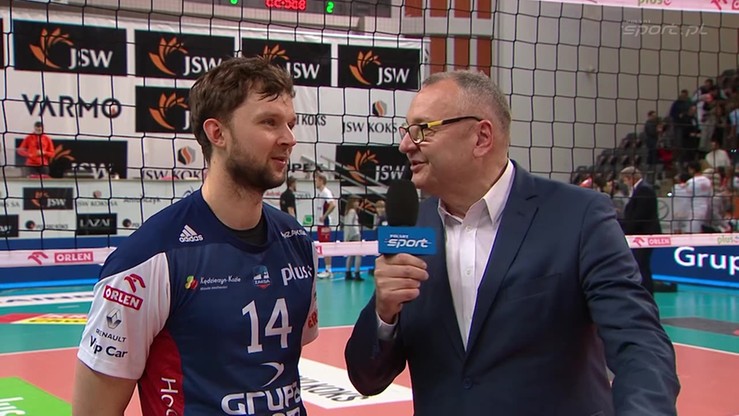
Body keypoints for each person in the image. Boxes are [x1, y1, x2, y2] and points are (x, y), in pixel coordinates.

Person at [344, 70, 679, 415]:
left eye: (423, 129)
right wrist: (384, 312)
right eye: (406, 131)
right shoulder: (414, 227)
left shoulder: (578, 216)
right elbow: (367, 379)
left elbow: (640, 343)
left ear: (481, 137)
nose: (405, 145)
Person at [73, 57, 319, 415]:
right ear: (217, 133)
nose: (289, 139)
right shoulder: (149, 259)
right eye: (269, 122)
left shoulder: (298, 243)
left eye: (290, 124)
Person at [619, 166, 662, 295]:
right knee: (639, 265)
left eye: (625, 180)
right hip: (640, 235)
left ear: (630, 178)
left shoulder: (644, 190)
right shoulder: (639, 189)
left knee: (642, 266)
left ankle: (646, 293)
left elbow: (640, 216)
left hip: (645, 236)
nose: (625, 183)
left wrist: (624, 230)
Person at [314, 171, 336, 278]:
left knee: (326, 246)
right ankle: (326, 269)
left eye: (316, 180)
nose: (315, 182)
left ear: (321, 181)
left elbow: (333, 204)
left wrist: (324, 216)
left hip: (325, 224)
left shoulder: (326, 192)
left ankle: (328, 270)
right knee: (322, 245)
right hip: (320, 224)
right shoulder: (320, 193)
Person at [342, 195, 363, 281]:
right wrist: (350, 236)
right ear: (352, 202)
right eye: (356, 201)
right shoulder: (352, 211)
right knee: (358, 254)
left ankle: (348, 272)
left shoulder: (348, 211)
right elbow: (350, 224)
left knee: (350, 255)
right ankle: (357, 273)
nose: (358, 203)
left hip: (351, 235)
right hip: (354, 235)